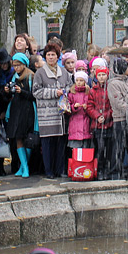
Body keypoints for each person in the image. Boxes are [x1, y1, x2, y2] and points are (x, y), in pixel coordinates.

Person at [33, 44, 73, 179]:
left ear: (57, 57)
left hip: (61, 114)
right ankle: (48, 170)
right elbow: (36, 91)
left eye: (53, 55)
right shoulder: (40, 73)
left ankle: (60, 169)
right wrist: (54, 92)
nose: (51, 57)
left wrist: (65, 92)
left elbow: (70, 87)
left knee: (60, 143)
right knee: (48, 144)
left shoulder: (64, 72)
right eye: (48, 55)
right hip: (46, 114)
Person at [4, 53, 35, 178]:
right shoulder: (13, 77)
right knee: (17, 138)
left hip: (27, 111)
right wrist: (7, 91)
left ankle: (24, 166)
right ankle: (23, 166)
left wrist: (21, 92)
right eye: (14, 65)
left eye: (19, 65)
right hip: (16, 110)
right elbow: (9, 96)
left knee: (27, 139)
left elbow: (34, 95)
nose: (16, 68)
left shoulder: (30, 76)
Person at [86, 65, 114, 180]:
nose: (101, 77)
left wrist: (106, 116)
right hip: (97, 125)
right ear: (96, 76)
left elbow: (114, 105)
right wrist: (97, 116)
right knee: (100, 149)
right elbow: (89, 106)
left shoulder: (111, 89)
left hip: (109, 124)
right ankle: (100, 170)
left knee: (110, 150)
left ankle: (108, 170)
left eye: (103, 75)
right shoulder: (92, 91)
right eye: (99, 75)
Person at [67, 71, 92, 150]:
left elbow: (92, 106)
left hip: (86, 123)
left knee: (86, 151)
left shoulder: (88, 93)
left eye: (81, 81)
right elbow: (67, 109)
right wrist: (74, 107)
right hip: (74, 124)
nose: (78, 82)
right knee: (75, 151)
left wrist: (87, 107)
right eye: (77, 80)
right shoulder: (71, 93)